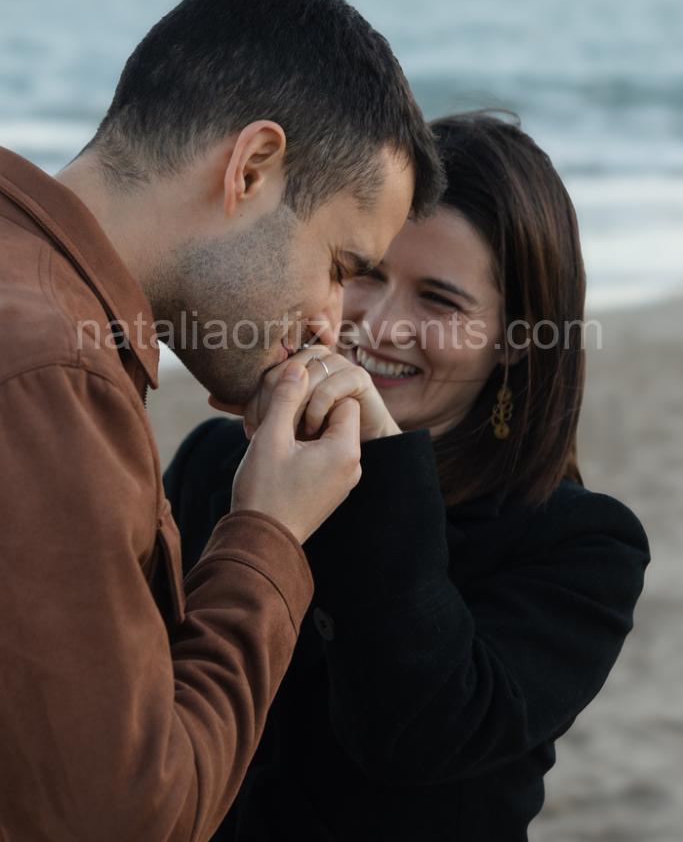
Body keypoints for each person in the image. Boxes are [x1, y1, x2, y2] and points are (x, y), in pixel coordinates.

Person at [0, 0, 444, 841]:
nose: (330, 320)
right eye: (339, 266)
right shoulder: (54, 369)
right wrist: (267, 533)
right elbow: (122, 821)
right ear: (252, 167)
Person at [166, 112, 650, 841]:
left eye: (439, 299)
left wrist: (382, 470)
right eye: (364, 273)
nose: (378, 323)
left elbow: (414, 735)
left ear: (516, 342)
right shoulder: (217, 458)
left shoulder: (580, 547)